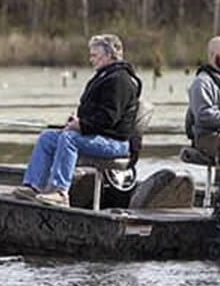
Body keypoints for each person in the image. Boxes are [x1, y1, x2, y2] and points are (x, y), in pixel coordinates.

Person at [15, 33, 141, 207]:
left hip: (116, 142)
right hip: (98, 135)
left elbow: (108, 118)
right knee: (48, 138)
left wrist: (80, 126)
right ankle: (34, 187)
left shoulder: (120, 80)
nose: (91, 59)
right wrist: (75, 123)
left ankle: (60, 192)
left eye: (95, 55)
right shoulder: (104, 76)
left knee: (69, 139)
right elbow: (95, 114)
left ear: (109, 55)